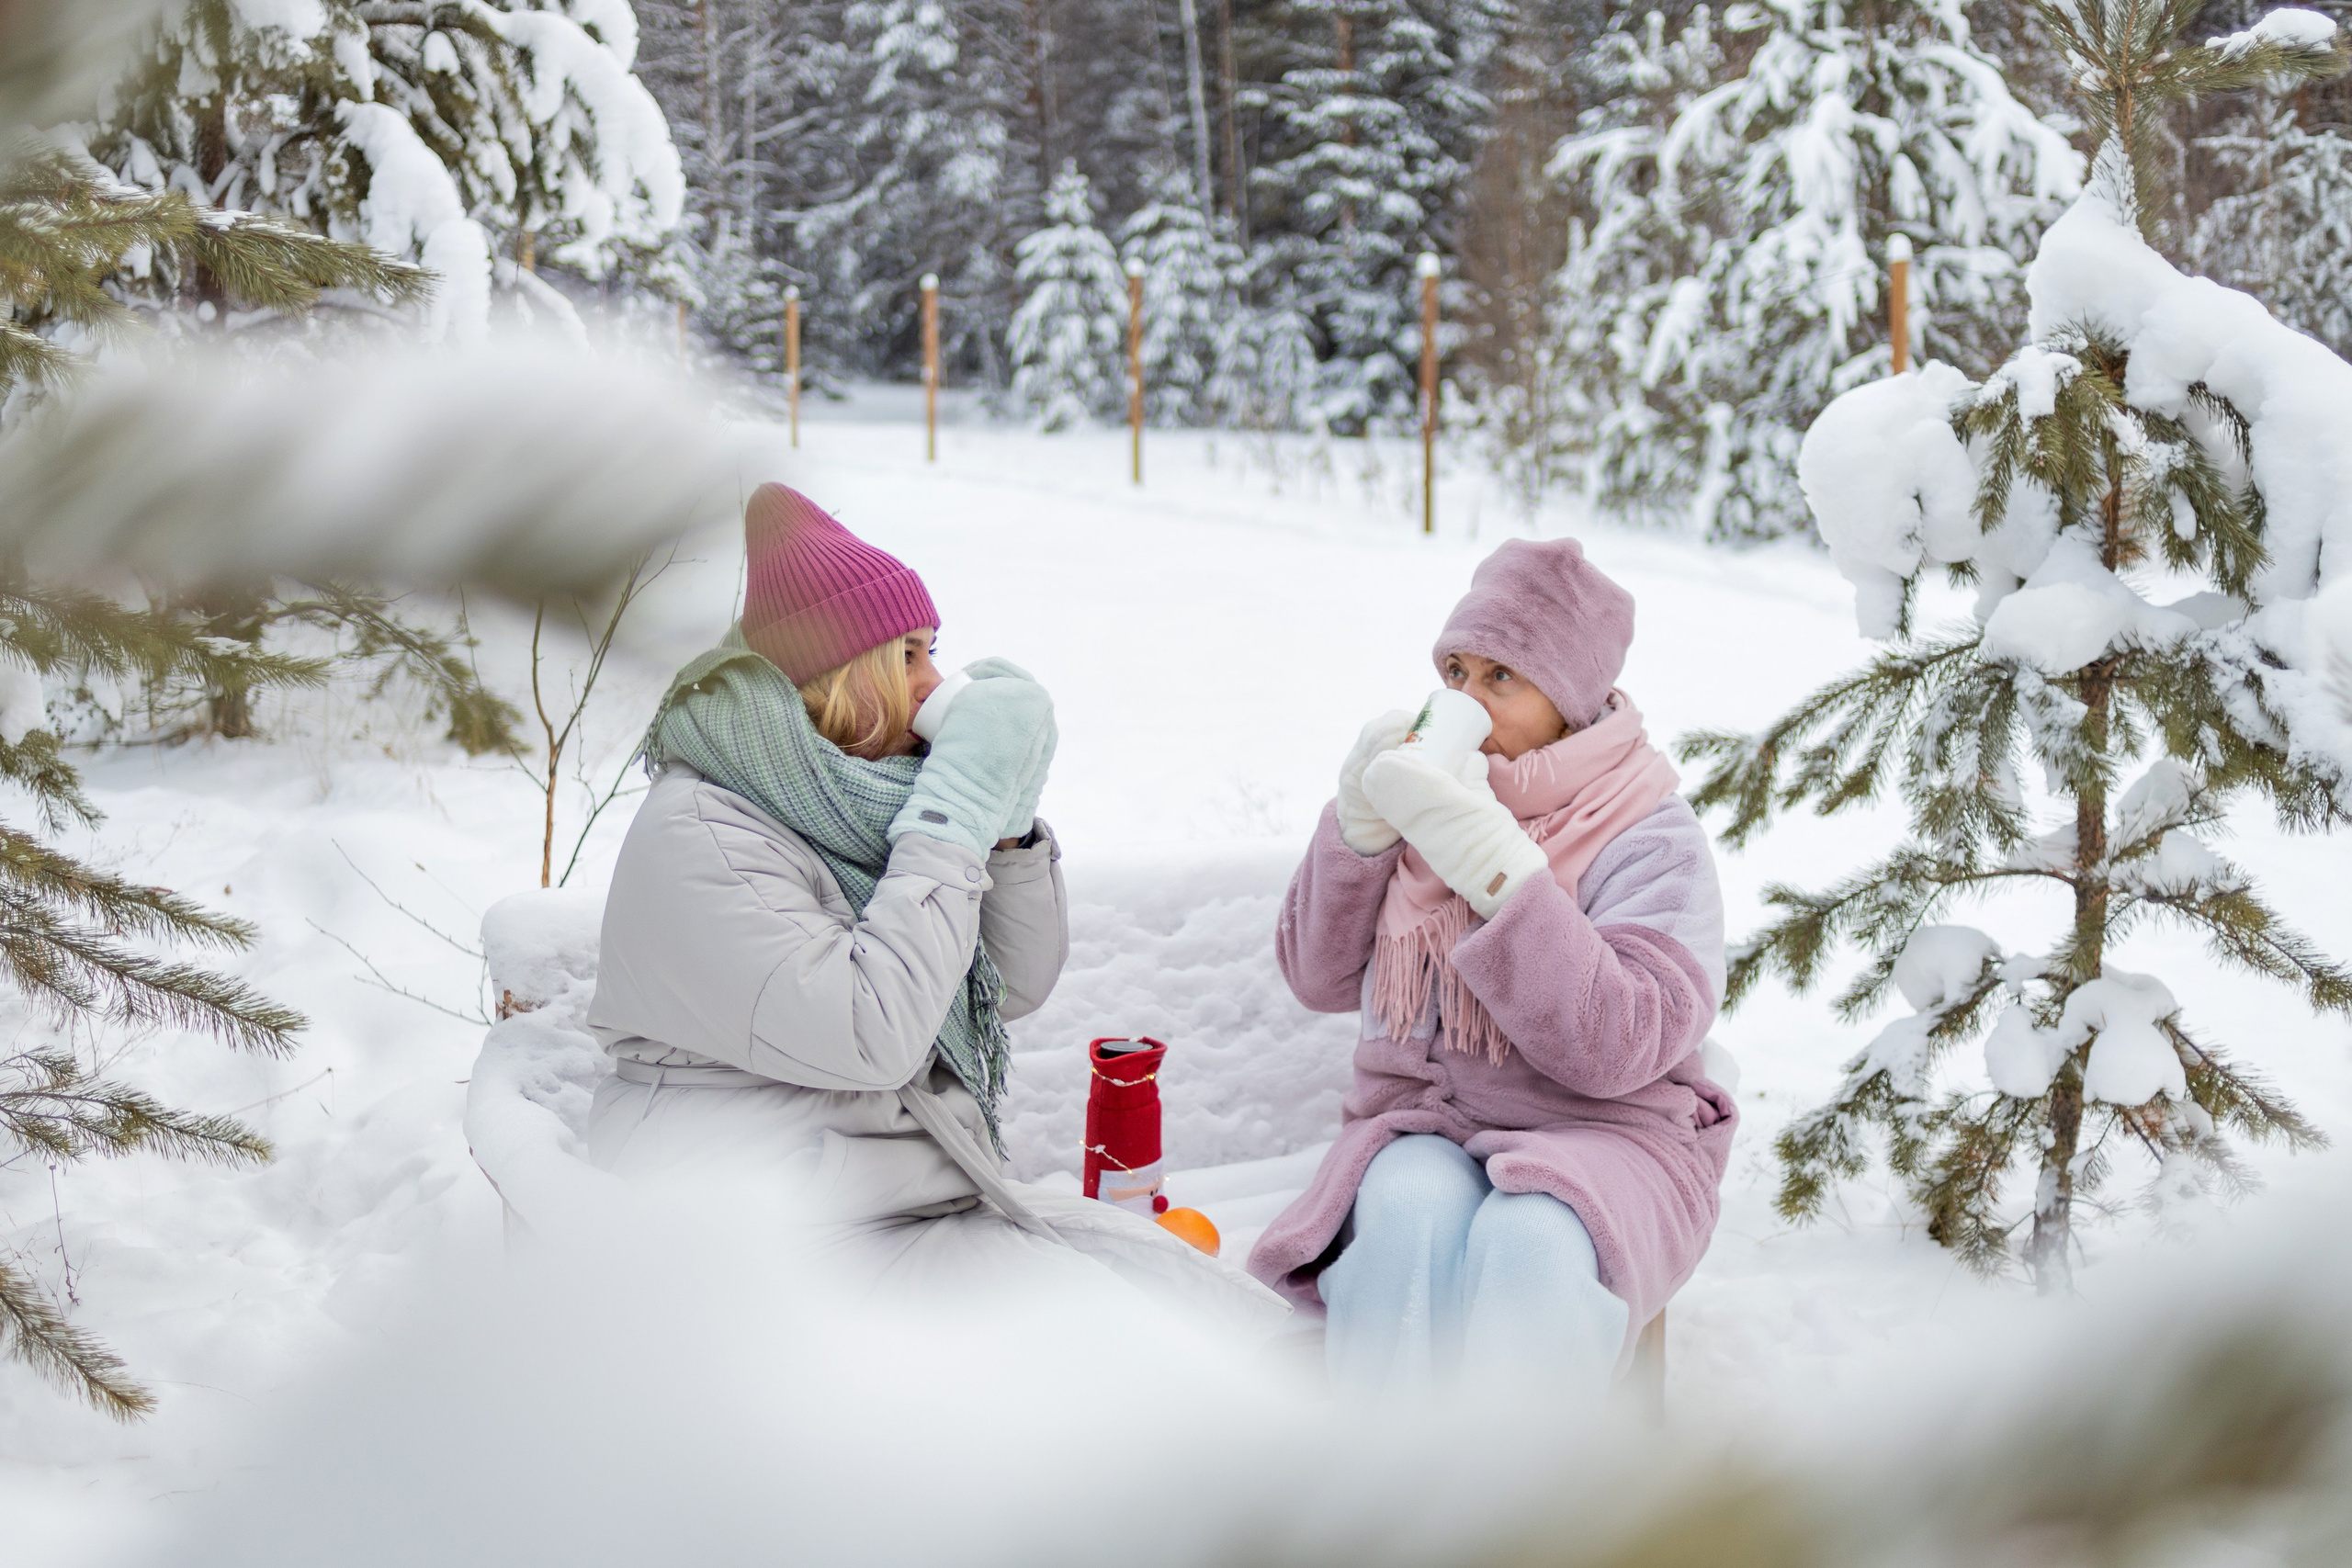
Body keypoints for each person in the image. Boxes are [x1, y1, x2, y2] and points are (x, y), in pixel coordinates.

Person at [583, 482, 1281, 1326]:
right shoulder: (704, 831)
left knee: (1223, 1315)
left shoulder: (851, 798)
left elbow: (1008, 984)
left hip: (895, 1194)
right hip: (765, 1237)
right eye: (907, 654)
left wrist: (1006, 823)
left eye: (932, 651)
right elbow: (872, 1033)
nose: (933, 681)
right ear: (838, 673)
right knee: (1144, 1345)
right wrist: (952, 811)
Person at [1246, 537, 1735, 1395]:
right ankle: (1383, 1465)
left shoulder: (1650, 833)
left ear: (1571, 701)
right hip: (1426, 1121)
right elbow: (1315, 977)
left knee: (1532, 1239)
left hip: (1609, 1134)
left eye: (1500, 677)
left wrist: (1499, 873)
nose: (1465, 700)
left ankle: (1521, 1478)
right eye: (1455, 671)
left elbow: (1620, 1044)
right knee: (1409, 1210)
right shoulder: (1421, 798)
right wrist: (1359, 830)